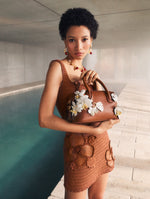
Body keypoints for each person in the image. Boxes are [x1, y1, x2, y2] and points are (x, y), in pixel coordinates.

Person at [39, 8, 120, 199]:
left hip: (101, 143)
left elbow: (96, 111)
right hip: (78, 150)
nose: (79, 46)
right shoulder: (57, 68)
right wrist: (94, 131)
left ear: (91, 40)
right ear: (65, 41)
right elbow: (44, 119)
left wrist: (95, 83)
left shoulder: (85, 70)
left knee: (97, 197)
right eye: (72, 39)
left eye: (84, 39)